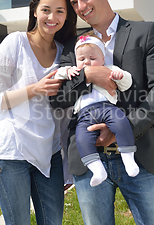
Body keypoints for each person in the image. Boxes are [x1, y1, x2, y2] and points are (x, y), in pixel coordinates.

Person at [50, 0, 154, 225]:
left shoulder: (145, 33)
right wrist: (88, 74)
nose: (81, 7)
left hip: (142, 156)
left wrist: (122, 131)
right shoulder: (73, 47)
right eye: (74, 3)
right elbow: (58, 99)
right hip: (89, 161)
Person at [0, 0, 77, 225]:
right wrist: (34, 89)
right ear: (35, 11)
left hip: (49, 155)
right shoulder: (14, 42)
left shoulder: (64, 53)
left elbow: (64, 115)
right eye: (46, 9)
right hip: (11, 153)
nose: (53, 17)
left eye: (60, 11)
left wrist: (67, 165)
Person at [54, 31, 138, 187]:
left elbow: (127, 84)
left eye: (92, 59)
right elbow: (57, 77)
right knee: (82, 138)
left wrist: (121, 76)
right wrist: (66, 71)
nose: (87, 62)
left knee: (121, 123)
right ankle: (97, 170)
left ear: (103, 59)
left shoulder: (109, 69)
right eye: (81, 59)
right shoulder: (75, 72)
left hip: (107, 108)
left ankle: (128, 158)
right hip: (84, 115)